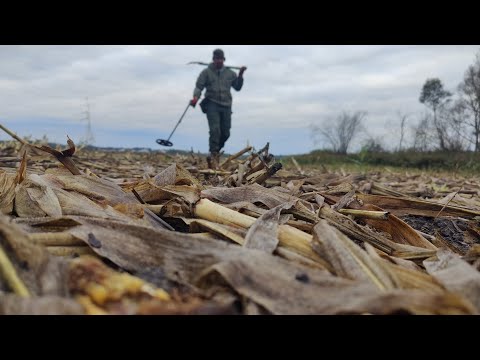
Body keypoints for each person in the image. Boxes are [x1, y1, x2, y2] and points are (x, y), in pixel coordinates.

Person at [190, 49, 247, 169]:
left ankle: (214, 151)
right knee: (215, 130)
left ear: (223, 60)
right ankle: (214, 155)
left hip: (226, 105)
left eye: (220, 59)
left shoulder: (230, 73)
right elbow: (199, 87)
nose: (218, 61)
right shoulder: (206, 72)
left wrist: (241, 75)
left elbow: (237, 87)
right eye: (216, 59)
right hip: (212, 104)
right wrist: (195, 97)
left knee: (226, 133)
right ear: (213, 59)